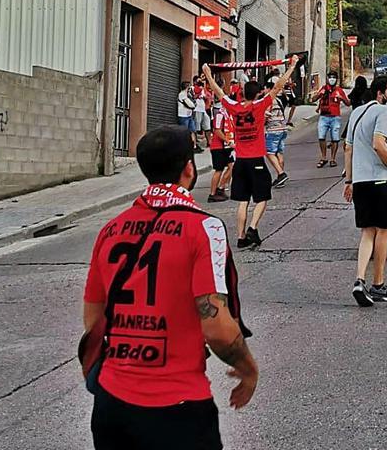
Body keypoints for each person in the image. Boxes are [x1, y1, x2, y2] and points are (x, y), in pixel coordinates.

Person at [84, 126, 257, 449]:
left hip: (111, 406)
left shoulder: (110, 230)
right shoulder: (203, 228)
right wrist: (247, 368)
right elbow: (217, 327)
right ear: (189, 169)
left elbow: (94, 318)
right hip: (177, 408)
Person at [202, 56, 300, 249]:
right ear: (257, 95)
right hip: (255, 160)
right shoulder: (259, 106)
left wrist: (207, 74)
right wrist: (292, 66)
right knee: (262, 198)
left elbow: (219, 92)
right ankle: (253, 228)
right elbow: (278, 86)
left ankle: (240, 237)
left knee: (242, 201)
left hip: (240, 161)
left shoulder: (234, 107)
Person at [343, 77, 387, 307]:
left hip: (361, 181)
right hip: (381, 181)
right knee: (383, 232)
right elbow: (379, 144)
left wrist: (350, 181)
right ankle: (379, 284)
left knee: (367, 233)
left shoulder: (356, 113)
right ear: (380, 93)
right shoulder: (383, 111)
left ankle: (358, 280)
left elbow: (348, 148)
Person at [310, 71, 350, 168]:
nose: (332, 79)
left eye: (334, 77)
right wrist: (319, 94)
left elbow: (348, 103)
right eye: (330, 77)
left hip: (335, 117)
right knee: (321, 137)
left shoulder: (339, 90)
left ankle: (333, 159)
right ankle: (323, 157)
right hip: (324, 116)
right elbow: (313, 99)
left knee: (335, 138)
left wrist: (341, 98)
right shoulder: (323, 89)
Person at [265, 80, 291, 189]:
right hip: (282, 129)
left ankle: (281, 173)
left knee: (269, 152)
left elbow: (266, 115)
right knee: (279, 152)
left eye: (265, 88)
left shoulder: (268, 100)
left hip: (273, 130)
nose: (263, 90)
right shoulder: (278, 100)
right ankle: (281, 177)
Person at [208, 99, 235, 203]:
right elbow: (217, 130)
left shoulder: (230, 116)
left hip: (226, 147)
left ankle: (221, 188)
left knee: (231, 166)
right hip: (218, 147)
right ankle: (212, 194)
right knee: (219, 170)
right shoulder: (220, 115)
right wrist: (227, 141)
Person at [177, 81, 199, 151]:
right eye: (189, 86)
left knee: (192, 130)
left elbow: (194, 102)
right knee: (184, 132)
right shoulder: (182, 94)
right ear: (187, 87)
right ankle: (183, 147)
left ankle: (194, 146)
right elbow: (190, 105)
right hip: (183, 116)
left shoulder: (189, 94)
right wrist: (194, 105)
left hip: (189, 115)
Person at [192, 75, 212, 149]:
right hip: (196, 109)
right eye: (198, 81)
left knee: (207, 125)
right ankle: (195, 143)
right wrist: (198, 93)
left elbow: (206, 97)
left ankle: (209, 142)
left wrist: (205, 97)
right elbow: (193, 97)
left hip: (203, 109)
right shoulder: (192, 88)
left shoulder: (202, 89)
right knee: (196, 127)